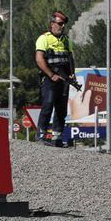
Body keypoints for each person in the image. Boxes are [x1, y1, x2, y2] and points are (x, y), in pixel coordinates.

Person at [35, 11, 75, 147]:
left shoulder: (66, 40)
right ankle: (41, 136)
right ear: (52, 24)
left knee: (61, 109)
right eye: (59, 23)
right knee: (48, 105)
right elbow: (39, 59)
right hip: (49, 78)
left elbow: (70, 58)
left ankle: (57, 138)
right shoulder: (44, 38)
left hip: (64, 79)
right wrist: (51, 75)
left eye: (63, 24)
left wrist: (72, 74)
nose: (62, 26)